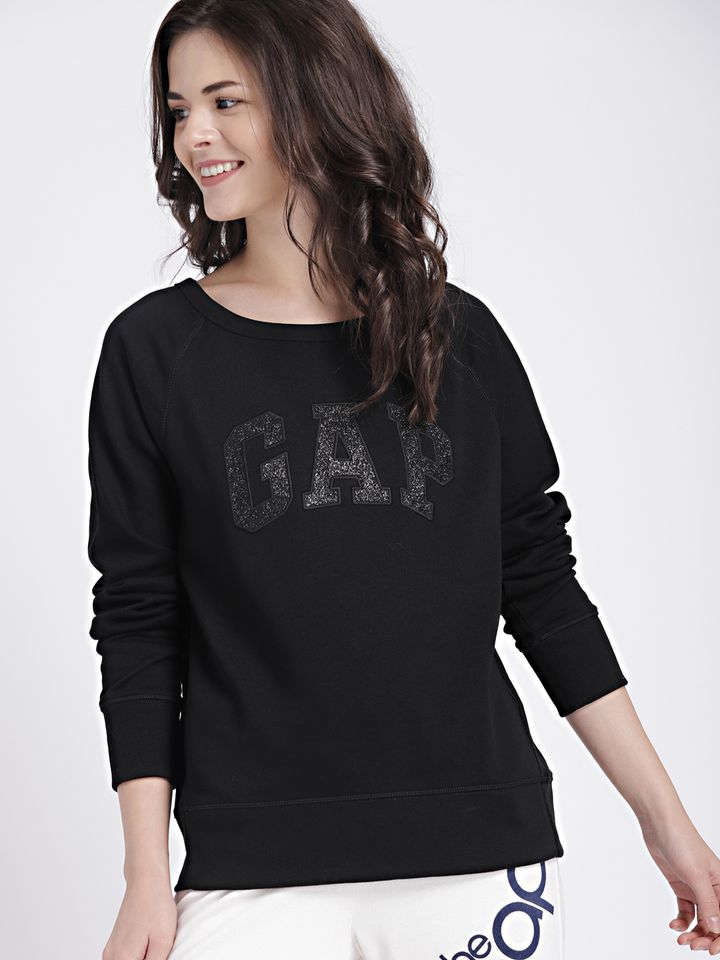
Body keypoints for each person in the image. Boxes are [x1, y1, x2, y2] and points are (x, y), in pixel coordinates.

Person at [85, 1, 720, 958]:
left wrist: (666, 822)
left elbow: (541, 586)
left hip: (471, 857)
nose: (194, 137)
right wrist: (145, 877)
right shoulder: (155, 352)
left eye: (225, 101)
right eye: (178, 111)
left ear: (314, 99)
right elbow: (140, 617)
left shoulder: (457, 337)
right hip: (252, 863)